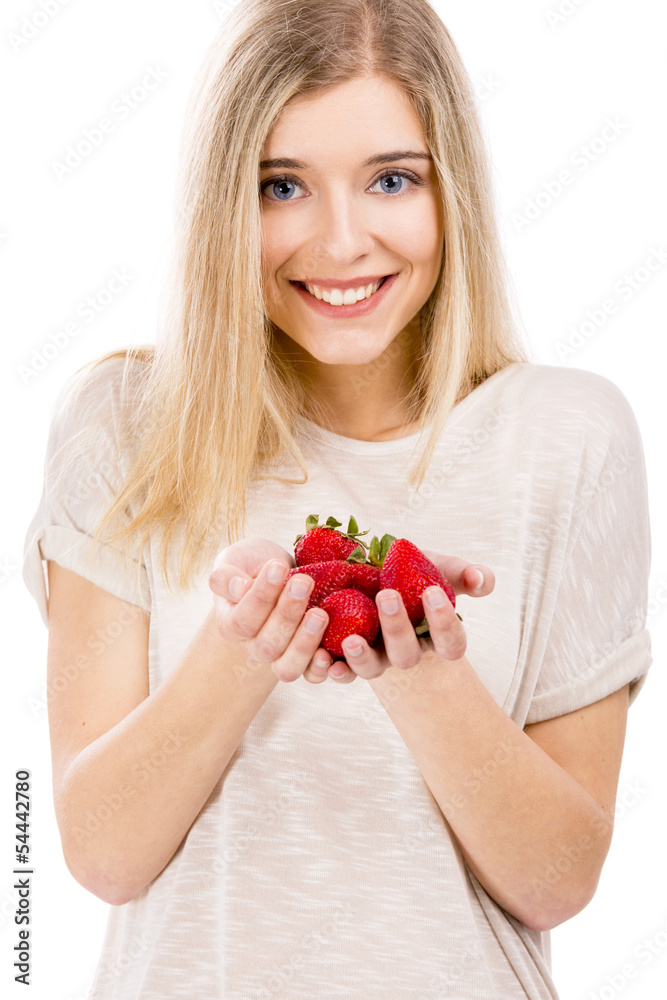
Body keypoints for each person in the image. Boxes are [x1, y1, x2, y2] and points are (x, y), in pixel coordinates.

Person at [21, 1, 653, 997]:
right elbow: (102, 853)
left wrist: (418, 669)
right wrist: (239, 652)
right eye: (281, 186)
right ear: (221, 199)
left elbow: (556, 878)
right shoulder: (123, 426)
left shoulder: (569, 436)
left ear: (455, 193)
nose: (342, 240)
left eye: (392, 179)